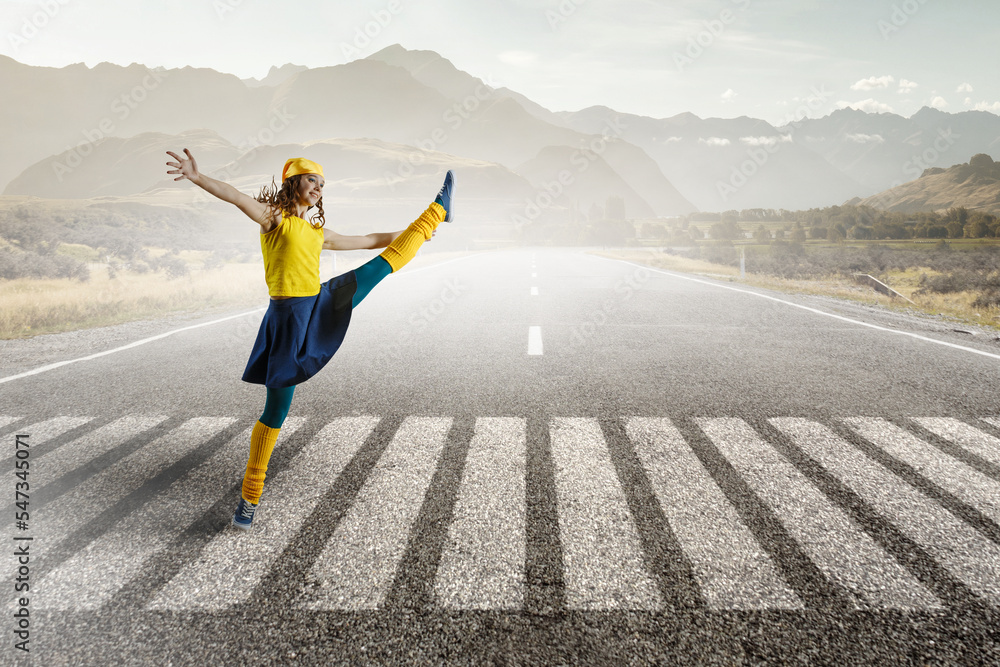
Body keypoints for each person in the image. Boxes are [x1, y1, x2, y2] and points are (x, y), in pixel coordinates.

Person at [165, 149, 454, 530]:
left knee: (380, 266)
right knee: (275, 413)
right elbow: (235, 196)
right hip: (286, 321)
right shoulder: (274, 219)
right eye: (311, 179)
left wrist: (418, 232)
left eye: (322, 183)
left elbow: (371, 239)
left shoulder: (319, 233)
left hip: (320, 302)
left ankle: (436, 211)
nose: (318, 187)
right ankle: (250, 497)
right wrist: (198, 177)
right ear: (293, 183)